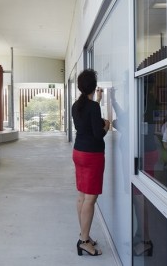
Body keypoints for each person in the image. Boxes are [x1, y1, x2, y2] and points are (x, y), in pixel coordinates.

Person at [72, 69, 110, 257]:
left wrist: (98, 102)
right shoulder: (93, 108)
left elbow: (85, 123)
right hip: (92, 155)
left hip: (78, 153)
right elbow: (97, 134)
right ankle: (84, 241)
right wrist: (107, 127)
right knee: (90, 199)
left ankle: (83, 235)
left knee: (82, 196)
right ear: (94, 87)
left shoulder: (76, 106)